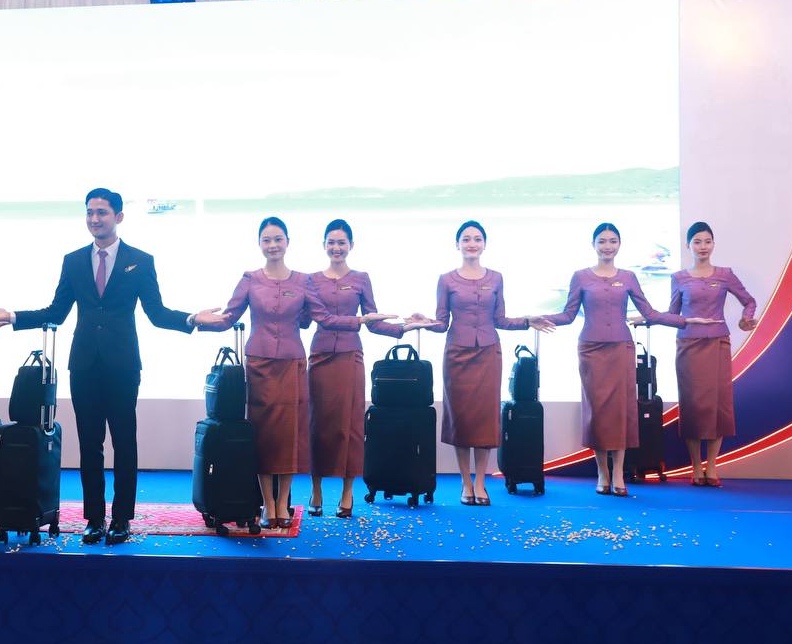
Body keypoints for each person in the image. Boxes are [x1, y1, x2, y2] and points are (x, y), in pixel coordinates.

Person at [0, 189, 200, 545]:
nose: (95, 219)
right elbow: (56, 312)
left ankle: (122, 518)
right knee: (89, 445)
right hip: (83, 365)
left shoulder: (140, 260)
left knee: (124, 443)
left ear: (119, 217)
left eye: (102, 212)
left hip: (123, 365)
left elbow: (157, 314)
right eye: (90, 212)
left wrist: (192, 319)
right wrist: (13, 317)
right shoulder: (74, 261)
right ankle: (94, 518)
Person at [197, 217, 387, 528]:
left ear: (288, 242)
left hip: (293, 363)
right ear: (260, 243)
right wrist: (195, 320)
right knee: (262, 434)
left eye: (278, 239)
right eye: (267, 239)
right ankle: (267, 504)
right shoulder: (249, 279)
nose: (273, 245)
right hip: (259, 364)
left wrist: (361, 321)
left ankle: (283, 503)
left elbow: (324, 318)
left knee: (289, 435)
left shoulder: (303, 282)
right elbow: (228, 317)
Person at [542, 223, 717, 496]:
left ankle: (619, 473)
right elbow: (568, 315)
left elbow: (650, 313)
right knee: (598, 411)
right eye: (602, 241)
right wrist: (535, 319)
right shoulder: (580, 277)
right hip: (591, 349)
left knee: (622, 410)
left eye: (612, 241)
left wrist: (686, 320)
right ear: (594, 245)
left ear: (619, 245)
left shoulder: (629, 277)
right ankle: (602, 472)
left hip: (621, 348)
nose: (607, 246)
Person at [413, 221, 555, 506]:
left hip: (489, 354)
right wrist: (424, 322)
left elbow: (500, 320)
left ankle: (480, 481)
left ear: (484, 244)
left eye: (477, 239)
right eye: (466, 239)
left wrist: (527, 321)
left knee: (485, 420)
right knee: (462, 420)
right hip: (457, 355)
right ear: (457, 245)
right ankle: (465, 482)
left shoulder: (496, 278)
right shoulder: (446, 280)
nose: (471, 244)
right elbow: (442, 323)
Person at [307, 219, 426, 518]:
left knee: (350, 425)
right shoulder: (310, 280)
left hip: (350, 356)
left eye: (341, 242)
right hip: (320, 357)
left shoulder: (361, 278)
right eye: (331, 242)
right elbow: (307, 319)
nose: (336, 247)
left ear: (351, 245)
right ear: (323, 245)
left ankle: (347, 492)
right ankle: (316, 489)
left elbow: (372, 322)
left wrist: (404, 328)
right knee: (318, 424)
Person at [659, 221, 757, 487]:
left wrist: (746, 319)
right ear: (688, 245)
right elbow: (673, 315)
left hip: (717, 344)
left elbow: (749, 301)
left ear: (713, 244)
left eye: (707, 241)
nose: (703, 246)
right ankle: (695, 466)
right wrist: (650, 317)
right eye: (697, 242)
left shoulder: (725, 274)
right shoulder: (679, 278)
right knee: (692, 405)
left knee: (717, 405)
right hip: (689, 346)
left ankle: (711, 466)